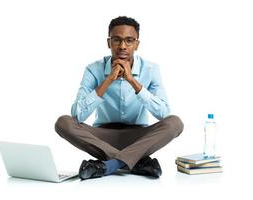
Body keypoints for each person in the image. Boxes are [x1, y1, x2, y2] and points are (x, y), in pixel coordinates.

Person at [55, 16, 184, 180]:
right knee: (63, 123)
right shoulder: (93, 69)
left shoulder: (151, 69)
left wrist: (132, 81)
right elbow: (77, 115)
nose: (123, 46)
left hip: (138, 137)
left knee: (175, 123)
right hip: (101, 138)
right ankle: (135, 162)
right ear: (109, 43)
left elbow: (164, 113)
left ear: (137, 44)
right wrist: (108, 80)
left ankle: (110, 165)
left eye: (129, 40)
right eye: (117, 40)